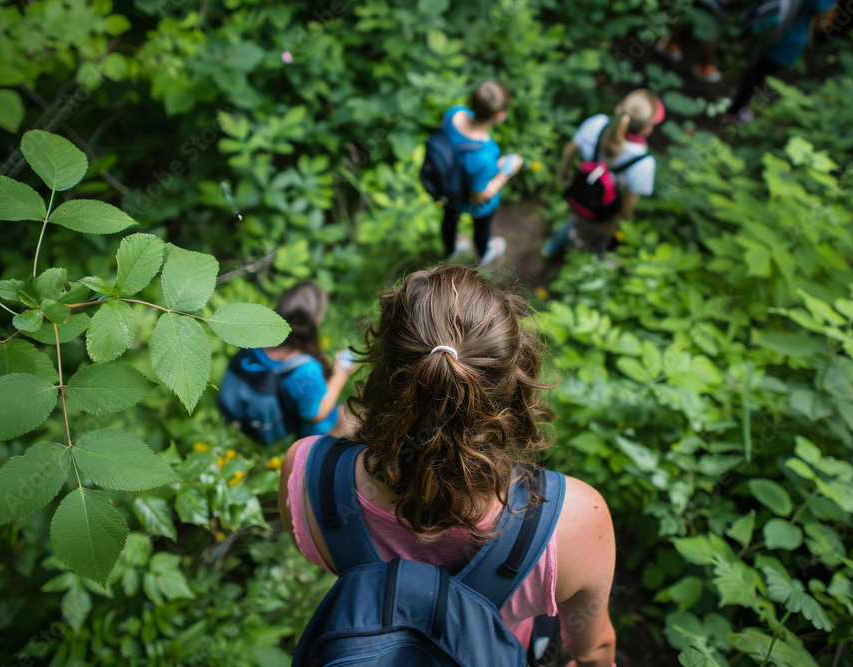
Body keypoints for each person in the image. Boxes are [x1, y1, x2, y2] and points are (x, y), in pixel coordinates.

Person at [278, 265, 618, 666]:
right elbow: (593, 649)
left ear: (382, 371)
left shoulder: (309, 475)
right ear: (515, 389)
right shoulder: (575, 522)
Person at [218, 282, 356, 444]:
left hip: (239, 416)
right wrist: (340, 375)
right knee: (352, 423)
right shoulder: (307, 369)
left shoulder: (255, 339)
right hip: (310, 434)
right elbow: (315, 414)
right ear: (315, 320)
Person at [543, 89, 665, 257]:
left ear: (618, 108)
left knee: (572, 220)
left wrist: (563, 174)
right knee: (593, 239)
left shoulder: (597, 123)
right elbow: (629, 204)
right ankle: (581, 256)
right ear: (646, 129)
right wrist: (621, 219)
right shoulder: (644, 163)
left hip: (581, 194)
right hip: (604, 213)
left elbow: (570, 150)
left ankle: (553, 245)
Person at [439, 80, 522, 267]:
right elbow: (479, 197)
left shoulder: (454, 114)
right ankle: (483, 254)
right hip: (468, 199)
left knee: (449, 220)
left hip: (448, 188)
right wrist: (506, 171)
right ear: (499, 115)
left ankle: (450, 251)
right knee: (481, 226)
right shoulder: (484, 155)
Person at [726, 0, 838, 123]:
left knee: (756, 71)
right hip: (787, 42)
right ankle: (734, 112)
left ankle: (734, 106)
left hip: (771, 28)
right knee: (762, 78)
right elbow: (825, 23)